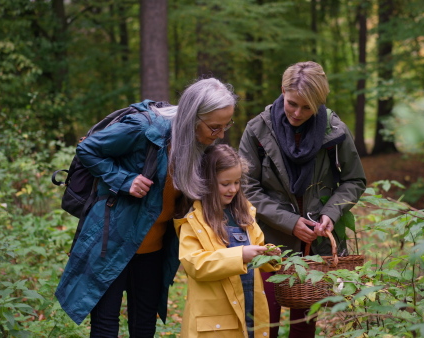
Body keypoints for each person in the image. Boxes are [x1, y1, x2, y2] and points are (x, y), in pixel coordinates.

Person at [55, 78, 237, 337]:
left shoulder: (197, 143)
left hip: (153, 249)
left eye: (226, 125)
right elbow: (88, 149)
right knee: (105, 326)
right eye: (215, 127)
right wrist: (124, 179)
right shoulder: (144, 129)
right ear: (192, 116)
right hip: (114, 242)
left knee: (144, 327)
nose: (220, 134)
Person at [238, 61, 367, 337]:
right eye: (292, 103)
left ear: (319, 102)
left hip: (314, 245)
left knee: (303, 325)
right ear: (282, 90)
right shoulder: (256, 131)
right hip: (267, 243)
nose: (298, 113)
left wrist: (330, 214)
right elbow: (246, 187)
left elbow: (354, 180)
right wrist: (288, 221)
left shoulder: (335, 131)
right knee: (265, 322)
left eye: (307, 107)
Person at [174, 144, 281, 338]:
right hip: (215, 320)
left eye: (237, 182)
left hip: (250, 309)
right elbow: (195, 264)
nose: (233, 189)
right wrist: (240, 255)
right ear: (207, 182)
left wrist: (268, 255)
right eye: (225, 184)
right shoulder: (194, 219)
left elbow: (257, 246)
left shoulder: (245, 213)